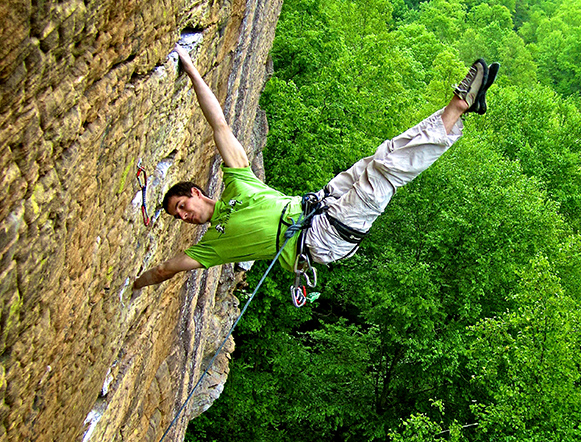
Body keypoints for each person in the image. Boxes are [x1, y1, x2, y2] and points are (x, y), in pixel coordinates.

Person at [133, 46, 497, 291]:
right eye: (179, 218)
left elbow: (219, 126)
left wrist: (191, 66)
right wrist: (133, 285)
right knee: (386, 171)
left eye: (182, 207)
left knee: (381, 157)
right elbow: (166, 269)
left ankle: (460, 108)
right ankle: (458, 105)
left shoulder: (238, 185)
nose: (186, 217)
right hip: (322, 236)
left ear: (196, 192)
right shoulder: (213, 247)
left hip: (319, 205)